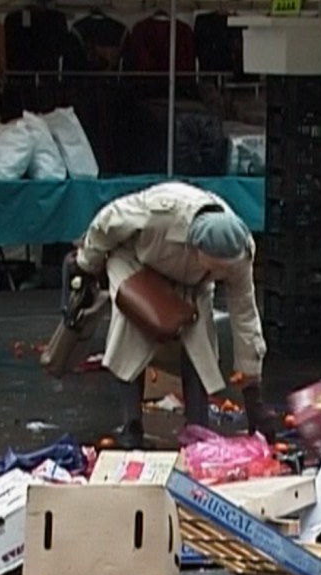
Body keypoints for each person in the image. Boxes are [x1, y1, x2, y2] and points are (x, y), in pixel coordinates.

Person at [73, 181, 274, 449]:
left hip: (191, 283)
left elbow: (245, 315)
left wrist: (253, 395)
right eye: (217, 268)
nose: (225, 275)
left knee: (200, 341)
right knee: (131, 330)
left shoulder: (239, 253)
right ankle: (131, 424)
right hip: (137, 262)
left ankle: (198, 428)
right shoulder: (160, 213)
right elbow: (106, 222)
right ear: (196, 249)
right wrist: (87, 263)